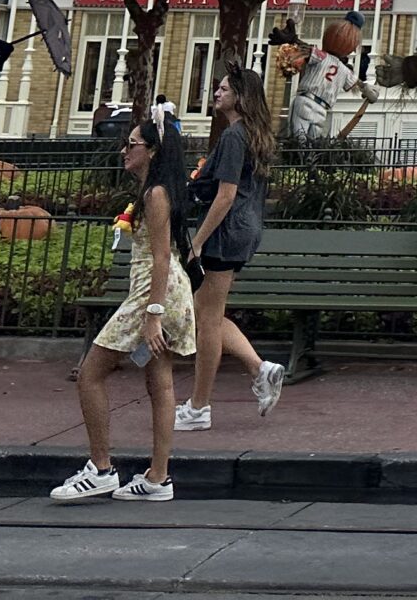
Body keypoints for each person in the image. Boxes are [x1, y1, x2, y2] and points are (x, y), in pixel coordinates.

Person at [51, 118, 197, 504]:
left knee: (90, 374)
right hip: (165, 291)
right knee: (159, 382)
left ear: (151, 151)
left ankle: (100, 468)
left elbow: (162, 256)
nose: (124, 150)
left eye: (131, 144)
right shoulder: (154, 190)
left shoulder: (156, 195)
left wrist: (152, 313)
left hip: (154, 292)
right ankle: (158, 477)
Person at [177, 68, 285, 433]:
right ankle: (260, 369)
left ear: (240, 96)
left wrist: (197, 241)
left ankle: (199, 406)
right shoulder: (249, 135)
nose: (216, 92)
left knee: (206, 320)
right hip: (243, 230)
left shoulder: (234, 137)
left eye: (224, 88)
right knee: (206, 311)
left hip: (226, 233)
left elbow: (225, 196)